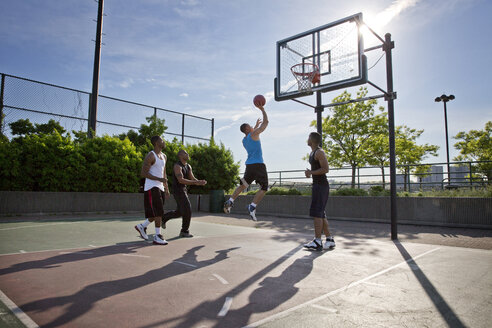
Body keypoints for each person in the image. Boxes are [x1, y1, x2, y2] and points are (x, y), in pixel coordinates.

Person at [223, 104, 269, 221]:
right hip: (258, 165)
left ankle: (230, 200)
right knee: (264, 187)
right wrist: (263, 110)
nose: (252, 127)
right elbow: (266, 123)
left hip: (249, 166)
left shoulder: (244, 140)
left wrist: (254, 126)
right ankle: (252, 206)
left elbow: (250, 134)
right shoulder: (254, 134)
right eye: (250, 126)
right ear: (248, 129)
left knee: (243, 185)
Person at [303, 132, 336, 251]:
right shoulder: (312, 153)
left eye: (308, 137)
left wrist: (311, 173)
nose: (307, 139)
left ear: (311, 140)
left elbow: (326, 169)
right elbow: (317, 169)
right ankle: (329, 239)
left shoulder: (319, 152)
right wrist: (310, 173)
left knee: (317, 213)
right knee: (321, 213)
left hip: (321, 186)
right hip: (317, 185)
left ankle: (317, 241)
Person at [162, 150, 207, 237]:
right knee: (187, 209)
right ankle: (184, 231)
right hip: (177, 191)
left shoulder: (188, 166)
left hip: (183, 190)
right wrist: (195, 183)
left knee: (179, 212)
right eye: (186, 153)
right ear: (180, 156)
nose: (188, 154)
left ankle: (164, 217)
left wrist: (199, 181)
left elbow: (192, 178)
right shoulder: (177, 166)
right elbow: (181, 180)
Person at [135, 136, 170, 245]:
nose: (163, 141)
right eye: (161, 140)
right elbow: (143, 173)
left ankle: (142, 226)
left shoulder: (164, 156)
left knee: (155, 214)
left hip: (160, 187)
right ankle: (157, 236)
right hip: (151, 187)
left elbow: (164, 174)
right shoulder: (151, 155)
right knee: (159, 211)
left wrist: (166, 188)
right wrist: (159, 179)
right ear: (156, 143)